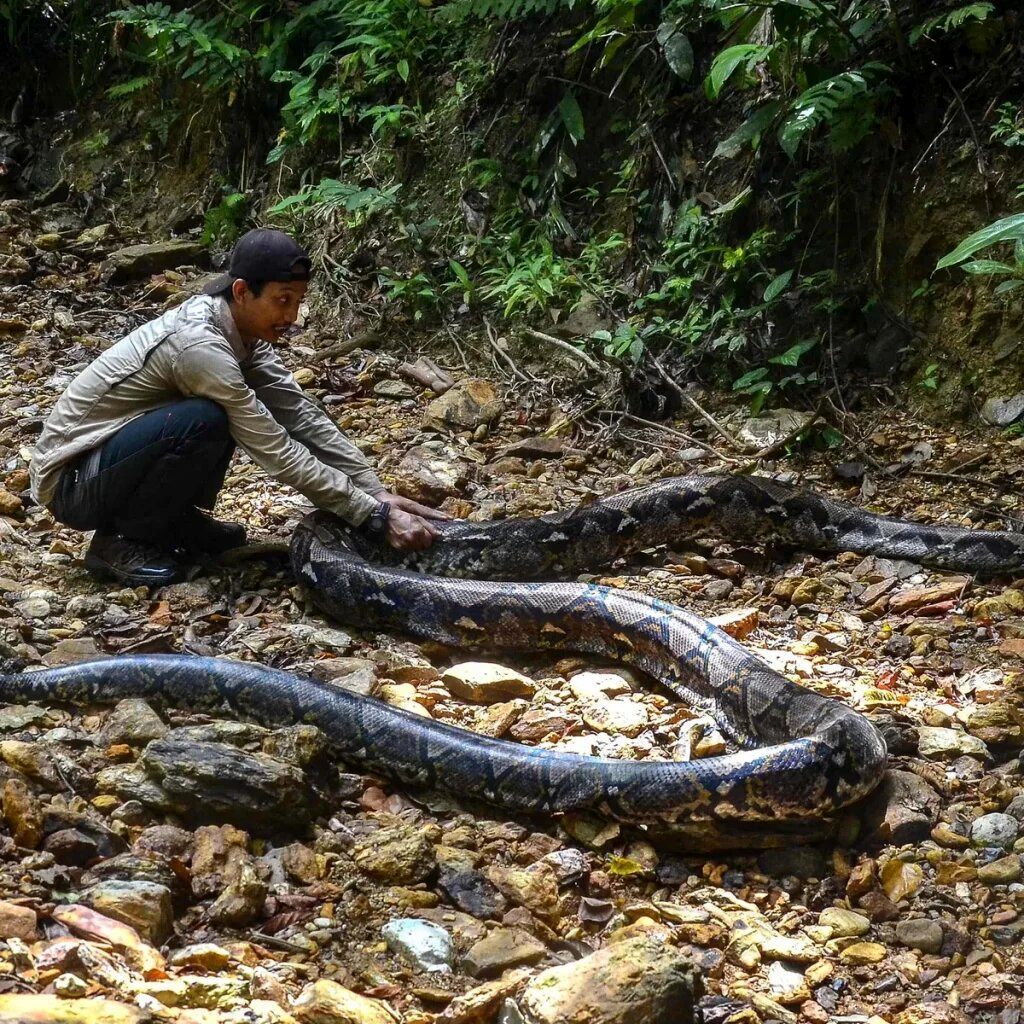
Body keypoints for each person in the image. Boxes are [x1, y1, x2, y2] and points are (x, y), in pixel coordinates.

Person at [30, 228, 447, 586]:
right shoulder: (199, 347)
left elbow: (300, 415)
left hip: (107, 464)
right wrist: (371, 516)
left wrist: (374, 490)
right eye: (283, 301)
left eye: (299, 301)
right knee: (206, 419)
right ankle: (120, 541)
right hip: (71, 481)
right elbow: (276, 450)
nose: (293, 315)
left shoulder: (246, 337)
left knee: (212, 417)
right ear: (242, 292)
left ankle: (169, 521)